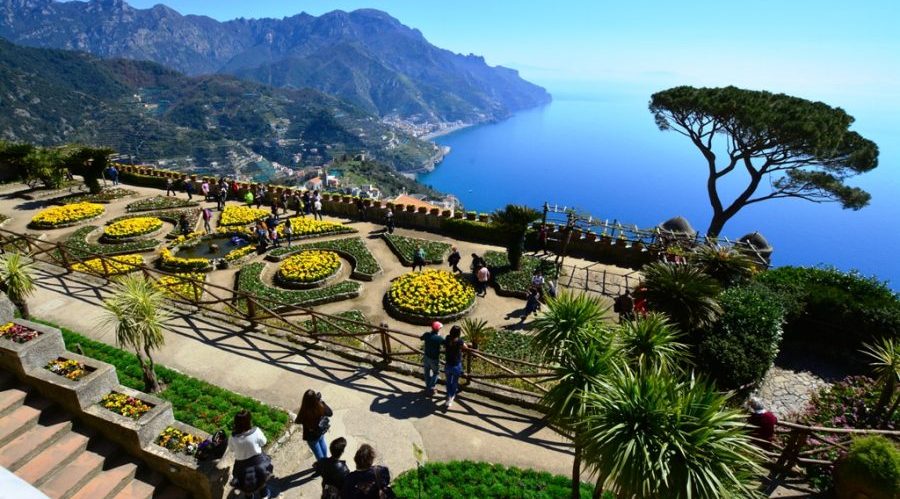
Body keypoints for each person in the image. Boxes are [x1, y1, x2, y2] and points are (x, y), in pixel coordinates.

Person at [228, 410, 273, 499]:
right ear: (249, 421)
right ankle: (264, 495)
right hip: (258, 462)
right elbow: (264, 442)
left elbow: (231, 449)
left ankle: (249, 496)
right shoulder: (256, 431)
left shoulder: (233, 438)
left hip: (242, 466)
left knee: (245, 484)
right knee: (262, 477)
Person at [297, 389, 333, 463]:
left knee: (317, 451)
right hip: (320, 430)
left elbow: (298, 421)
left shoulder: (304, 411)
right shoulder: (320, 405)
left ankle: (322, 466)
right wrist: (321, 401)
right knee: (322, 442)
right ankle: (325, 460)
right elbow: (330, 413)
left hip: (311, 435)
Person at [443, 325, 467, 408]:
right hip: (456, 365)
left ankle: (448, 395)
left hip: (448, 364)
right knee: (454, 382)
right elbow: (465, 347)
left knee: (448, 381)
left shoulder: (447, 338)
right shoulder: (459, 341)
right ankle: (451, 397)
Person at [420, 322, 444, 397]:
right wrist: (439, 336)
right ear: (438, 329)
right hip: (434, 359)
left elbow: (421, 338)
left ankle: (428, 387)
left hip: (426, 357)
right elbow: (445, 343)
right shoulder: (439, 338)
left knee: (426, 372)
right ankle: (430, 388)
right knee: (436, 373)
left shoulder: (427, 334)